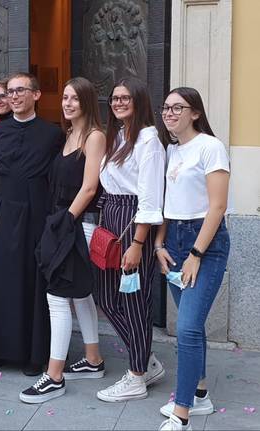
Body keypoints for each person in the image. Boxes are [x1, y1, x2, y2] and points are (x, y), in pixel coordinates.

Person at [20, 77, 106, 403]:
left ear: (86, 101)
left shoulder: (95, 137)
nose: (67, 103)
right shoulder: (69, 134)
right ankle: (94, 359)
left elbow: (89, 187)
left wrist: (66, 220)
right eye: (65, 97)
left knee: (57, 297)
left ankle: (54, 376)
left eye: (74, 98)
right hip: (63, 220)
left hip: (76, 223)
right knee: (80, 295)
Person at [0, 72, 65, 377]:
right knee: (0, 282)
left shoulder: (52, 134)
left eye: (20, 91)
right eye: (9, 92)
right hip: (3, 211)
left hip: (37, 213)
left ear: (36, 95)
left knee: (32, 281)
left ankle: (32, 354)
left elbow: (56, 181)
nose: (13, 96)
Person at [155, 88, 231, 431]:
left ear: (195, 113)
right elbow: (167, 203)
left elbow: (217, 206)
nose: (169, 113)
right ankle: (200, 394)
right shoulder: (171, 149)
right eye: (166, 108)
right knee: (192, 326)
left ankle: (182, 413)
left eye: (177, 108)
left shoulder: (210, 147)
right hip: (173, 240)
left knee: (185, 328)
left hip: (205, 242)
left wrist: (196, 254)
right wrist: (159, 244)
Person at [95, 77, 166, 403]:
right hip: (111, 216)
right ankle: (147, 361)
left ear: (139, 101)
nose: (118, 102)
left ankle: (137, 375)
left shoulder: (149, 141)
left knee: (134, 301)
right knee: (107, 297)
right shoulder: (120, 136)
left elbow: (151, 199)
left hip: (132, 221)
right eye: (114, 98)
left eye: (125, 98)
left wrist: (138, 244)